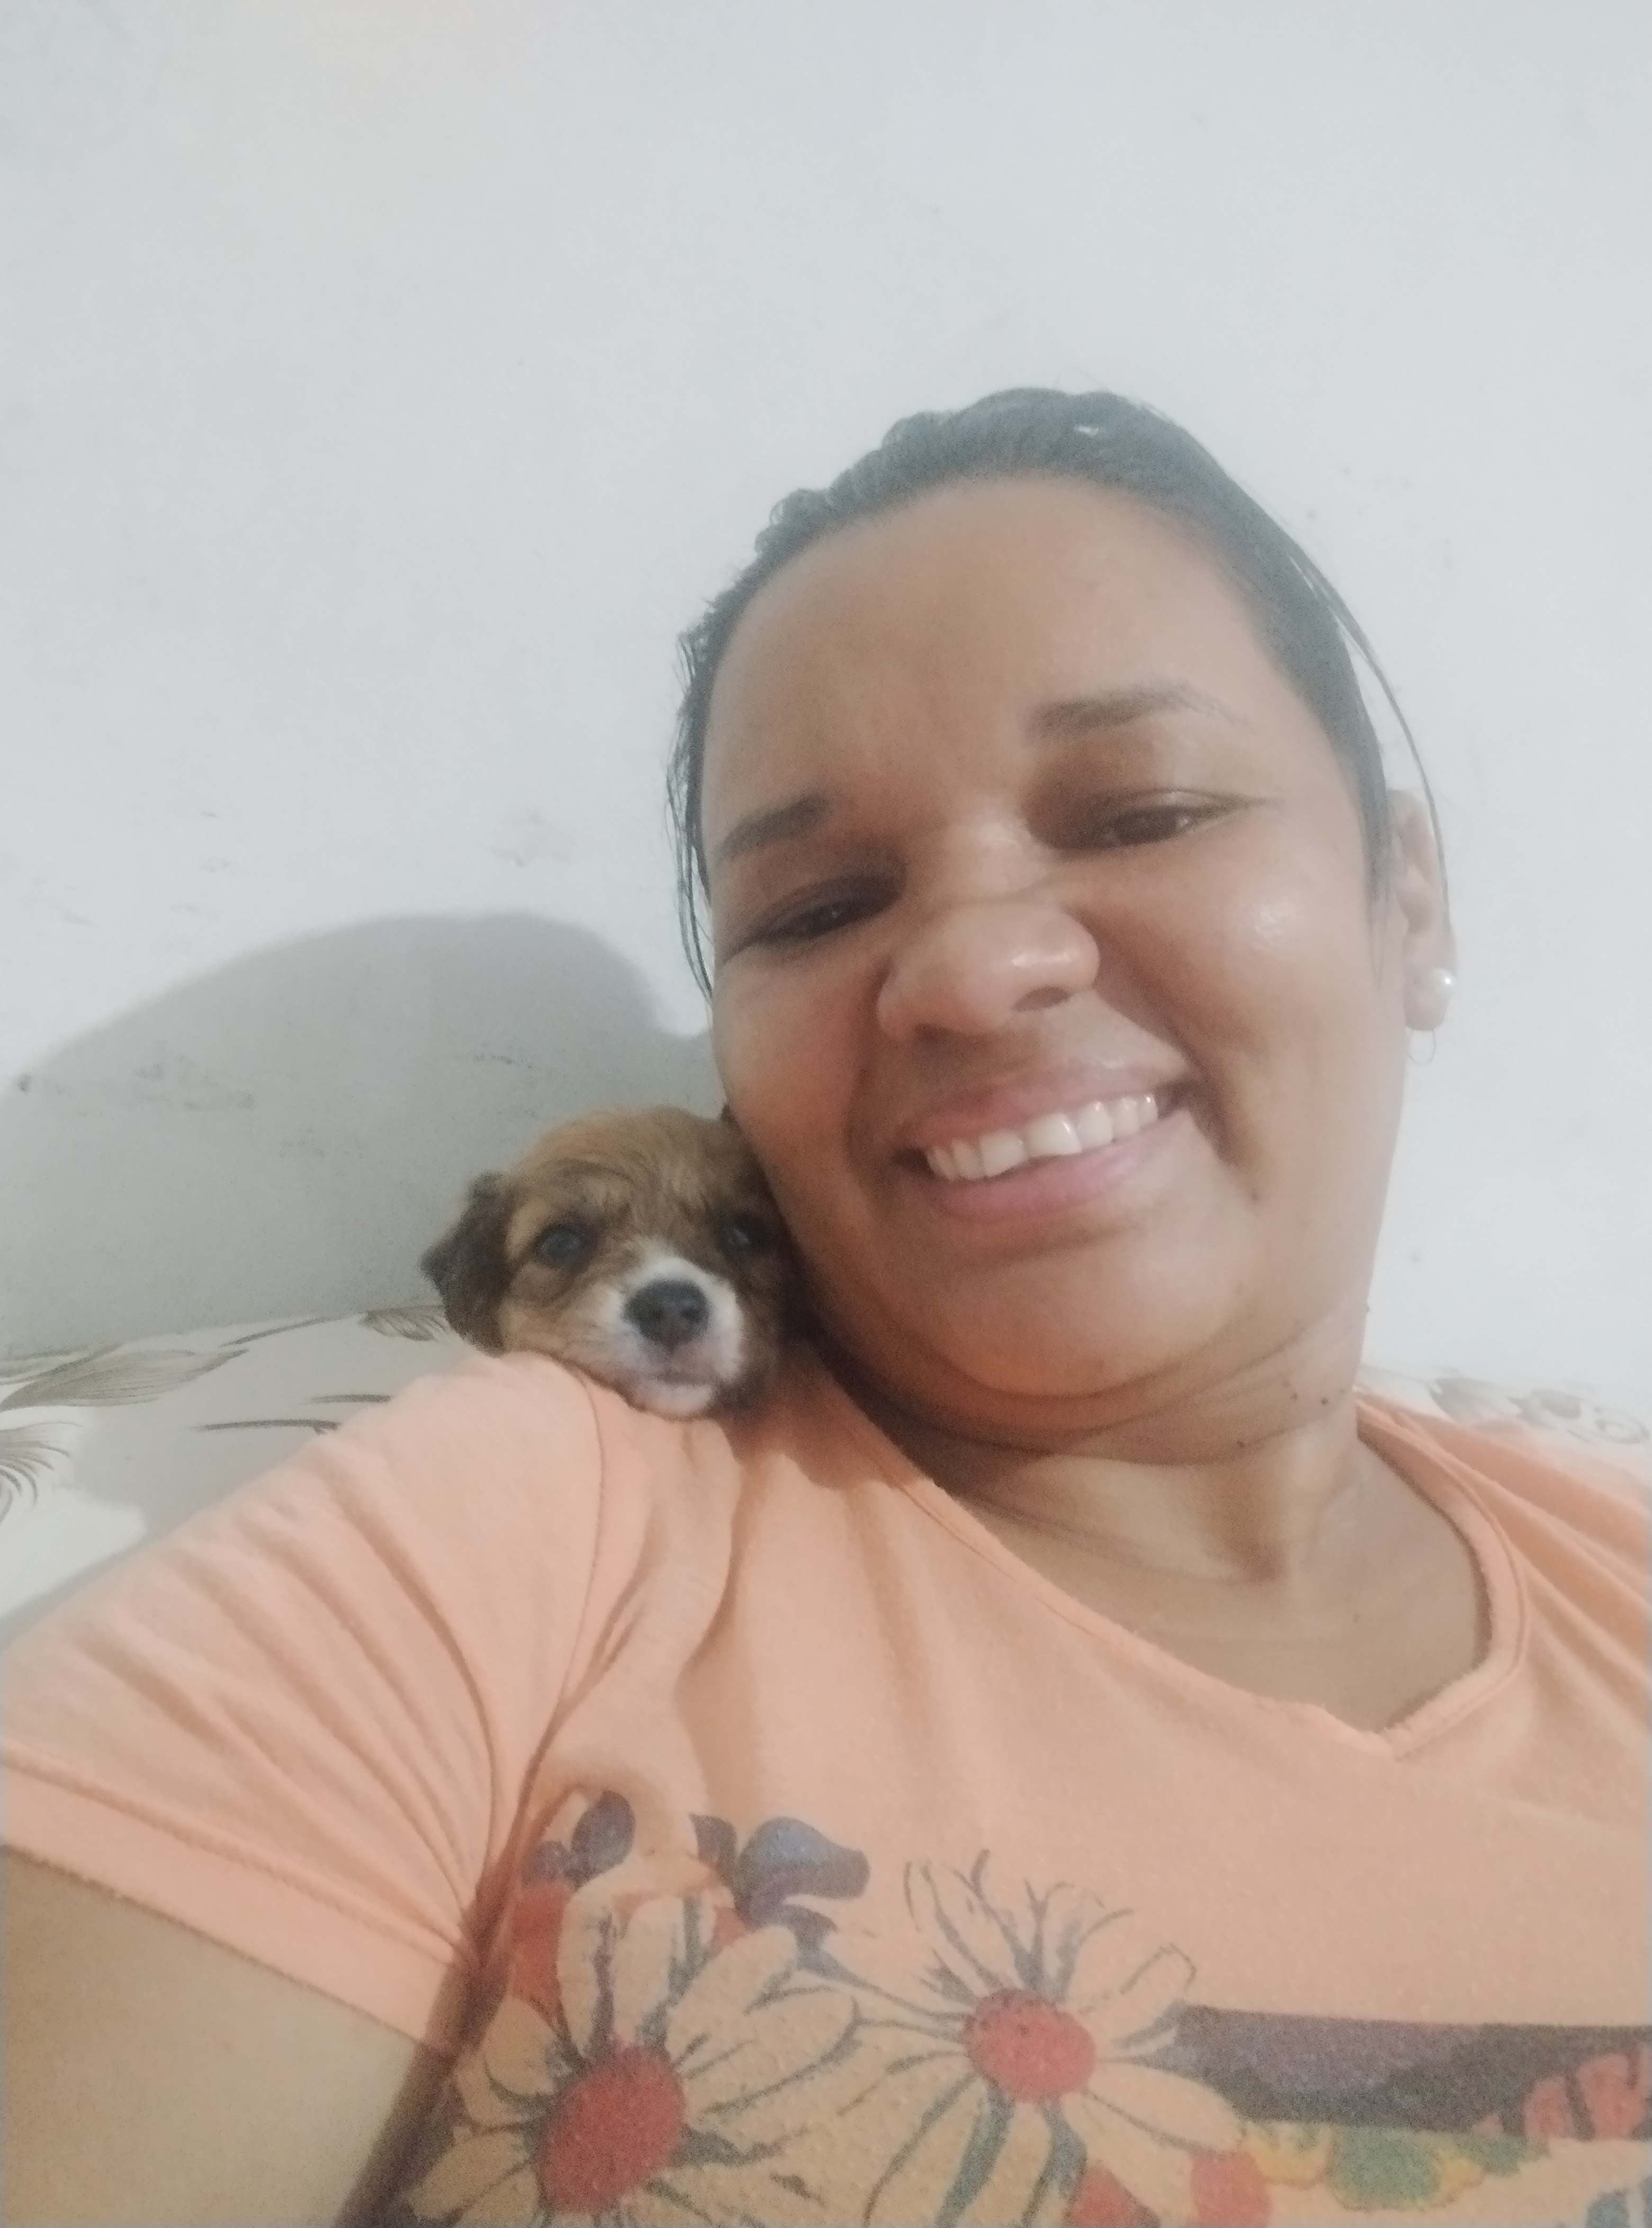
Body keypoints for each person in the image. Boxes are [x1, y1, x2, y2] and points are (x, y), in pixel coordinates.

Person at [3, 390, 1646, 2228]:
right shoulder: (512, 1525)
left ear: (1409, 894)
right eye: (816, 904)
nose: (973, 967)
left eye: (1147, 809)